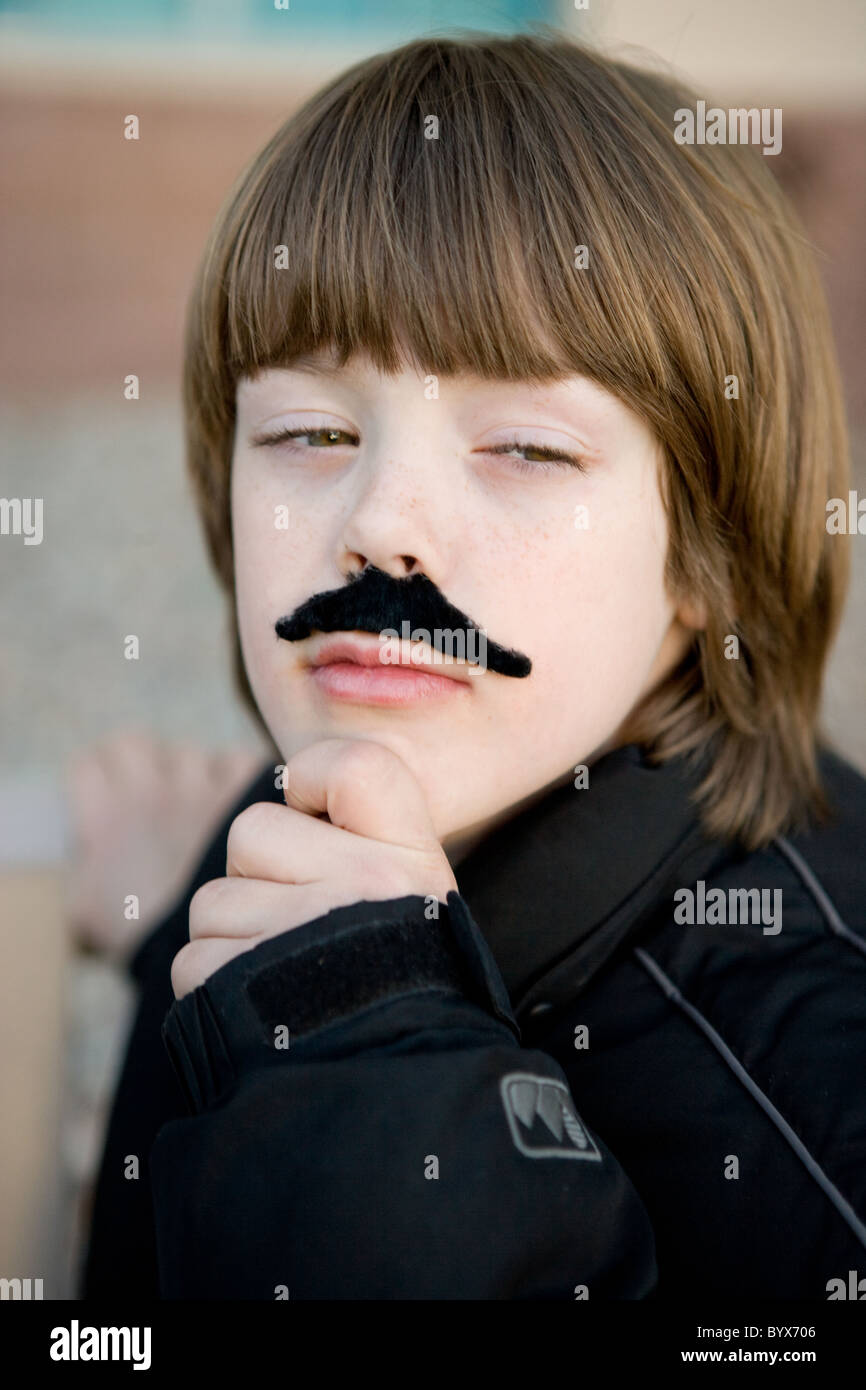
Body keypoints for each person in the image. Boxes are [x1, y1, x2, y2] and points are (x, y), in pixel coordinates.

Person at [80, 31, 866, 1300]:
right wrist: (163, 924)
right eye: (310, 430)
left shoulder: (814, 1115)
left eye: (525, 449)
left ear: (706, 554)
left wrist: (370, 1096)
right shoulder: (312, 809)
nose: (380, 519)